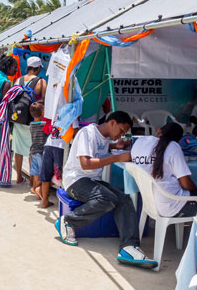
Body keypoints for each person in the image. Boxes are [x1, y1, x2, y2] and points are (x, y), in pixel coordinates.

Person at [56, 111, 158, 269]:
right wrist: (117, 157)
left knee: (124, 199)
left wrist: (115, 146)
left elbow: (101, 146)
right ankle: (69, 221)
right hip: (75, 180)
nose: (121, 135)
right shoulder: (87, 133)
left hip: (93, 180)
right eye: (121, 130)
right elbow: (86, 164)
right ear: (112, 123)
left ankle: (129, 247)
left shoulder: (105, 138)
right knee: (107, 198)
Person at [131, 123, 197, 216]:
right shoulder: (173, 146)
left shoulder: (140, 142)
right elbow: (186, 184)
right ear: (178, 139)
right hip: (172, 204)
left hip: (151, 202)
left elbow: (128, 156)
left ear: (159, 130)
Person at [11, 56, 47, 185]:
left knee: (18, 148)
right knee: (33, 150)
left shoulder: (18, 80)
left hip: (18, 119)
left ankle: (19, 176)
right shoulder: (41, 82)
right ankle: (33, 181)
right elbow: (44, 100)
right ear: (37, 69)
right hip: (33, 120)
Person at [29, 101, 47, 200]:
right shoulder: (44, 124)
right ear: (42, 113)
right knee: (42, 173)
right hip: (41, 152)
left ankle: (34, 188)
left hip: (33, 151)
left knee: (35, 172)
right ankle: (39, 190)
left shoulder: (31, 124)